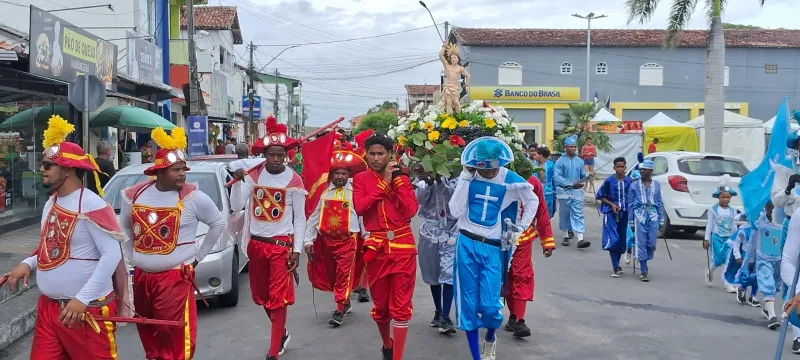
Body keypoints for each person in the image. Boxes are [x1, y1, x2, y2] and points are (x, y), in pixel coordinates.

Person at [3, 115, 129, 359]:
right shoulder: (51, 203)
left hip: (86, 311)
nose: (41, 169)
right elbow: (51, 247)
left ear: (68, 170)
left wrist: (82, 299)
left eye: (48, 165)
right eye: (42, 163)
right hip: (49, 309)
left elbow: (112, 254)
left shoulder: (92, 204)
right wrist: (27, 264)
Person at [120, 126, 227, 360]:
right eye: (175, 170)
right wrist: (131, 260)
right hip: (141, 278)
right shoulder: (134, 196)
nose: (182, 174)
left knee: (176, 335)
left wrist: (196, 259)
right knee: (148, 331)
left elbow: (218, 224)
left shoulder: (193, 197)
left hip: (174, 279)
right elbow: (125, 229)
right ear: (159, 172)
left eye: (183, 169)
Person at [449, 136, 538, 360]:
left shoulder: (509, 178)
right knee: (468, 305)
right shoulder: (469, 177)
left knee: (490, 305)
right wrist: (465, 178)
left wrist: (520, 227)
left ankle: (490, 337)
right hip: (466, 244)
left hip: (492, 249)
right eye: (483, 168)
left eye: (493, 168)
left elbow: (533, 200)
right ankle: (476, 357)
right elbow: (454, 211)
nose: (488, 173)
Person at [230, 115, 307, 360]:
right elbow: (236, 205)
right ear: (265, 154)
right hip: (256, 246)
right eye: (271, 154)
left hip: (280, 247)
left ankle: (273, 351)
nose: (275, 159)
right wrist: (237, 183)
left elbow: (300, 219)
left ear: (286, 155)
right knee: (263, 297)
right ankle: (281, 332)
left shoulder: (294, 180)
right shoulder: (253, 175)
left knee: (279, 299)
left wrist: (296, 250)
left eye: (279, 154)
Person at [352, 134, 419, 360]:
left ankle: (397, 356)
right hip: (376, 247)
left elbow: (410, 210)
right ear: (366, 154)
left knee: (401, 307)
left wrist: (398, 181)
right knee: (381, 308)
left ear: (390, 154)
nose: (376, 158)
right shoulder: (360, 179)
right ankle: (386, 344)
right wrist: (385, 183)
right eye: (372, 154)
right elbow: (360, 207)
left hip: (403, 247)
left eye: (381, 153)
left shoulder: (403, 178)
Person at [305, 149, 368, 327]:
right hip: (325, 242)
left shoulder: (356, 192)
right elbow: (313, 217)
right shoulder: (323, 192)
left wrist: (368, 238)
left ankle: (339, 309)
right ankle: (344, 300)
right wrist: (308, 240)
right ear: (331, 174)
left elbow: (362, 217)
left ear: (349, 174)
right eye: (337, 173)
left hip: (349, 240)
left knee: (343, 274)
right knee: (332, 275)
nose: (340, 176)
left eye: (343, 173)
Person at [504, 174, 554, 338]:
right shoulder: (496, 175)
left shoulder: (532, 181)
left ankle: (519, 320)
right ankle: (509, 315)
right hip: (496, 236)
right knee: (502, 277)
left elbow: (541, 211)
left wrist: (547, 241)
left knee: (521, 275)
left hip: (522, 238)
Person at [413, 165, 458, 334]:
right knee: (433, 274)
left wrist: (440, 181)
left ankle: (446, 317)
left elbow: (454, 199)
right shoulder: (425, 179)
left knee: (448, 274)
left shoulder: (459, 178)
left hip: (452, 232)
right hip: (429, 231)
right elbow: (420, 200)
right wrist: (425, 180)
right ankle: (438, 310)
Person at [743, 203, 782, 329]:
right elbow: (753, 242)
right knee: (767, 283)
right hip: (763, 258)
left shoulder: (784, 221)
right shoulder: (759, 222)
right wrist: (751, 259)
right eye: (769, 206)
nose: (772, 209)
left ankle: (767, 309)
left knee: (776, 284)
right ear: (765, 207)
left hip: (780, 259)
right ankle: (772, 316)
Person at [627, 159, 664, 282]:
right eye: (641, 169)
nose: (642, 171)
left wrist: (661, 219)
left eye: (644, 169)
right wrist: (631, 221)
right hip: (639, 216)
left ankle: (644, 259)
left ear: (651, 170)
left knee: (651, 244)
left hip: (653, 216)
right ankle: (643, 269)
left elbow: (659, 202)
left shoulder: (657, 184)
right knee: (641, 242)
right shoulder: (634, 185)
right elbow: (631, 204)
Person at [597, 157, 633, 277]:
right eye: (618, 167)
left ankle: (617, 264)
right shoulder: (609, 181)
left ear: (625, 167)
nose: (620, 169)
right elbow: (601, 196)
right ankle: (615, 267)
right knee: (613, 239)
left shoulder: (629, 181)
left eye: (622, 167)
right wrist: (611, 204)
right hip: (611, 214)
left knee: (622, 241)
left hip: (625, 214)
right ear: (614, 168)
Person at [704, 175, 739, 292]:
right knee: (718, 260)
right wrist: (706, 239)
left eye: (728, 197)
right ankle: (709, 271)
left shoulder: (732, 211)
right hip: (717, 238)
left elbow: (733, 225)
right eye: (723, 197)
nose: (726, 199)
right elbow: (709, 225)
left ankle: (727, 283)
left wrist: (738, 236)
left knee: (728, 260)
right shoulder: (712, 210)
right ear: (718, 197)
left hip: (728, 239)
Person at [555, 135, 589, 248]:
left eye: (575, 147)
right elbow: (557, 177)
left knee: (578, 214)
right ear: (565, 147)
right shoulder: (560, 161)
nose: (573, 149)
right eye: (571, 147)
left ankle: (580, 238)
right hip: (563, 192)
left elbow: (582, 175)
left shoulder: (580, 161)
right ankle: (565, 235)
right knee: (564, 214)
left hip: (576, 192)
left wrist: (587, 176)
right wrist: (570, 183)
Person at [729, 210, 762, 308]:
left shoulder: (761, 228)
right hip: (745, 255)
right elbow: (736, 243)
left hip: (759, 256)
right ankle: (742, 288)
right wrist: (737, 255)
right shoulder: (743, 229)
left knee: (757, 277)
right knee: (746, 275)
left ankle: (753, 296)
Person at [532, 147, 556, 218]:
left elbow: (554, 178)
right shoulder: (533, 164)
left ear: (541, 155)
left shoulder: (550, 164)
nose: (534, 156)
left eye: (536, 155)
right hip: (535, 190)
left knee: (546, 212)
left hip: (548, 191)